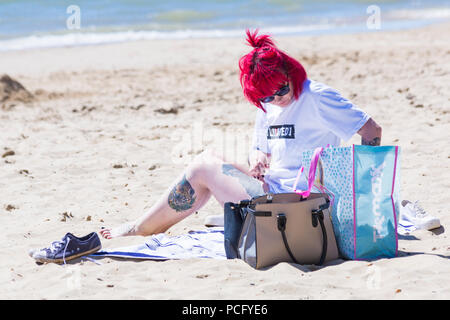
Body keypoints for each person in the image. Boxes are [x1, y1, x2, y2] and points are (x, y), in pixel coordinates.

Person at [99, 29, 383, 239]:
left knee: (203, 165)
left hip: (304, 205)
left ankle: (139, 229)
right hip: (274, 192)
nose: (277, 98)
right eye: (267, 95)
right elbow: (261, 149)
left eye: (282, 89)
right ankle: (144, 227)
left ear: (290, 72)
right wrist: (258, 160)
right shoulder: (266, 107)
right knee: (205, 162)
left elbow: (371, 130)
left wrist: (361, 196)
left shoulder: (316, 96)